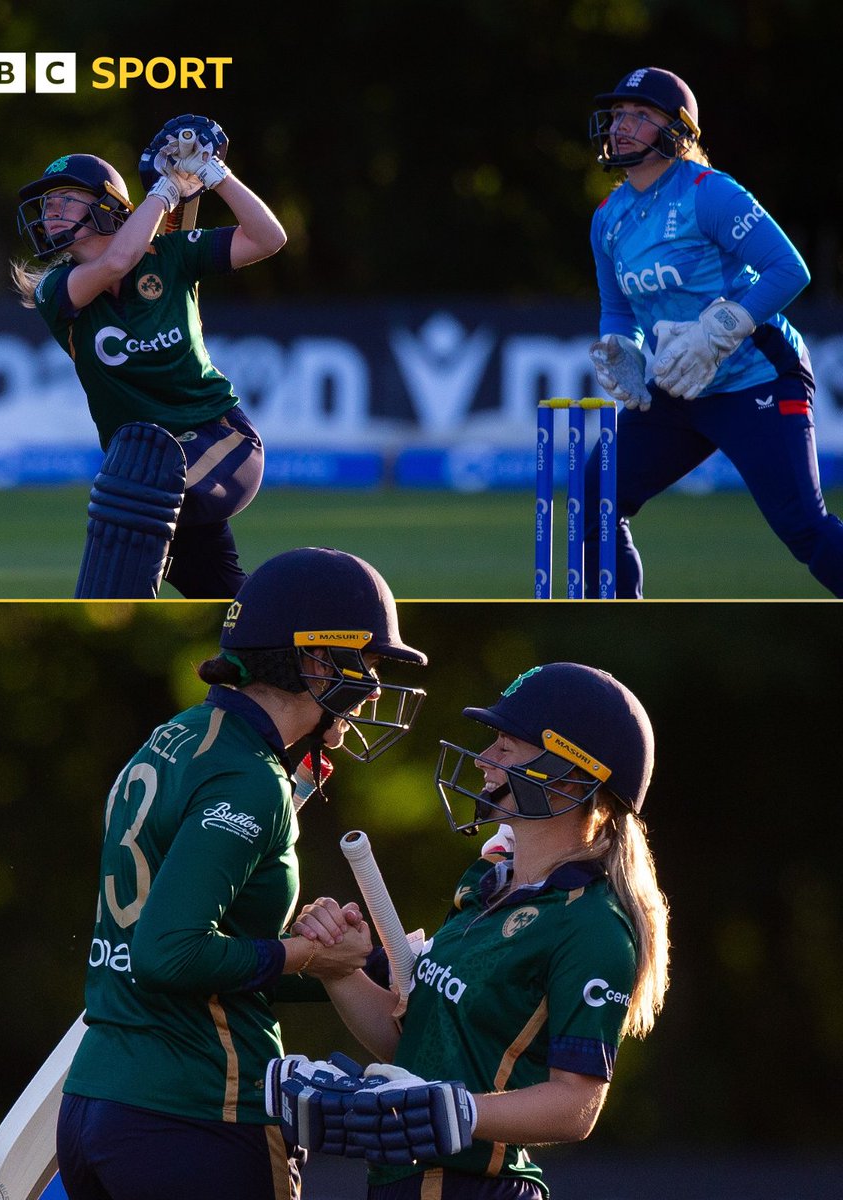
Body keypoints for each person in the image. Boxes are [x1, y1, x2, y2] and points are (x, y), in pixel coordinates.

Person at [54, 547, 428, 1200]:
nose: (371, 690)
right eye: (364, 663)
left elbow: (216, 962)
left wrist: (336, 967)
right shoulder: (249, 778)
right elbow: (169, 955)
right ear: (314, 658)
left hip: (97, 1107)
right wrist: (306, 951)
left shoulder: (180, 734)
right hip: (197, 1111)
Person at [284, 662, 669, 1199]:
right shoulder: (484, 883)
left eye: (506, 747)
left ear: (571, 774)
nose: (485, 760)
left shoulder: (592, 925)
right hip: (404, 1183)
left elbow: (576, 1106)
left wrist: (452, 1109)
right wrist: (337, 967)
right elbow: (413, 1047)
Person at [584, 67, 843, 597]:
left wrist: (718, 330)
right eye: (617, 115)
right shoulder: (608, 219)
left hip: (757, 379)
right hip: (680, 387)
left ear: (675, 131)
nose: (622, 126)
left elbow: (789, 270)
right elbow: (617, 310)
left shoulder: (710, 193)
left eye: (640, 116)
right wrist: (625, 350)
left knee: (804, 530)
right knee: (592, 506)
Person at [12, 115, 286, 599]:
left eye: (64, 201)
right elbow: (116, 261)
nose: (50, 213)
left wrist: (213, 173)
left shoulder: (173, 256)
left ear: (107, 208)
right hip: (142, 464)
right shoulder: (58, 289)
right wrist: (167, 191)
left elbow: (270, 238)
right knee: (221, 595)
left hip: (219, 442)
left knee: (128, 515)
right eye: (48, 204)